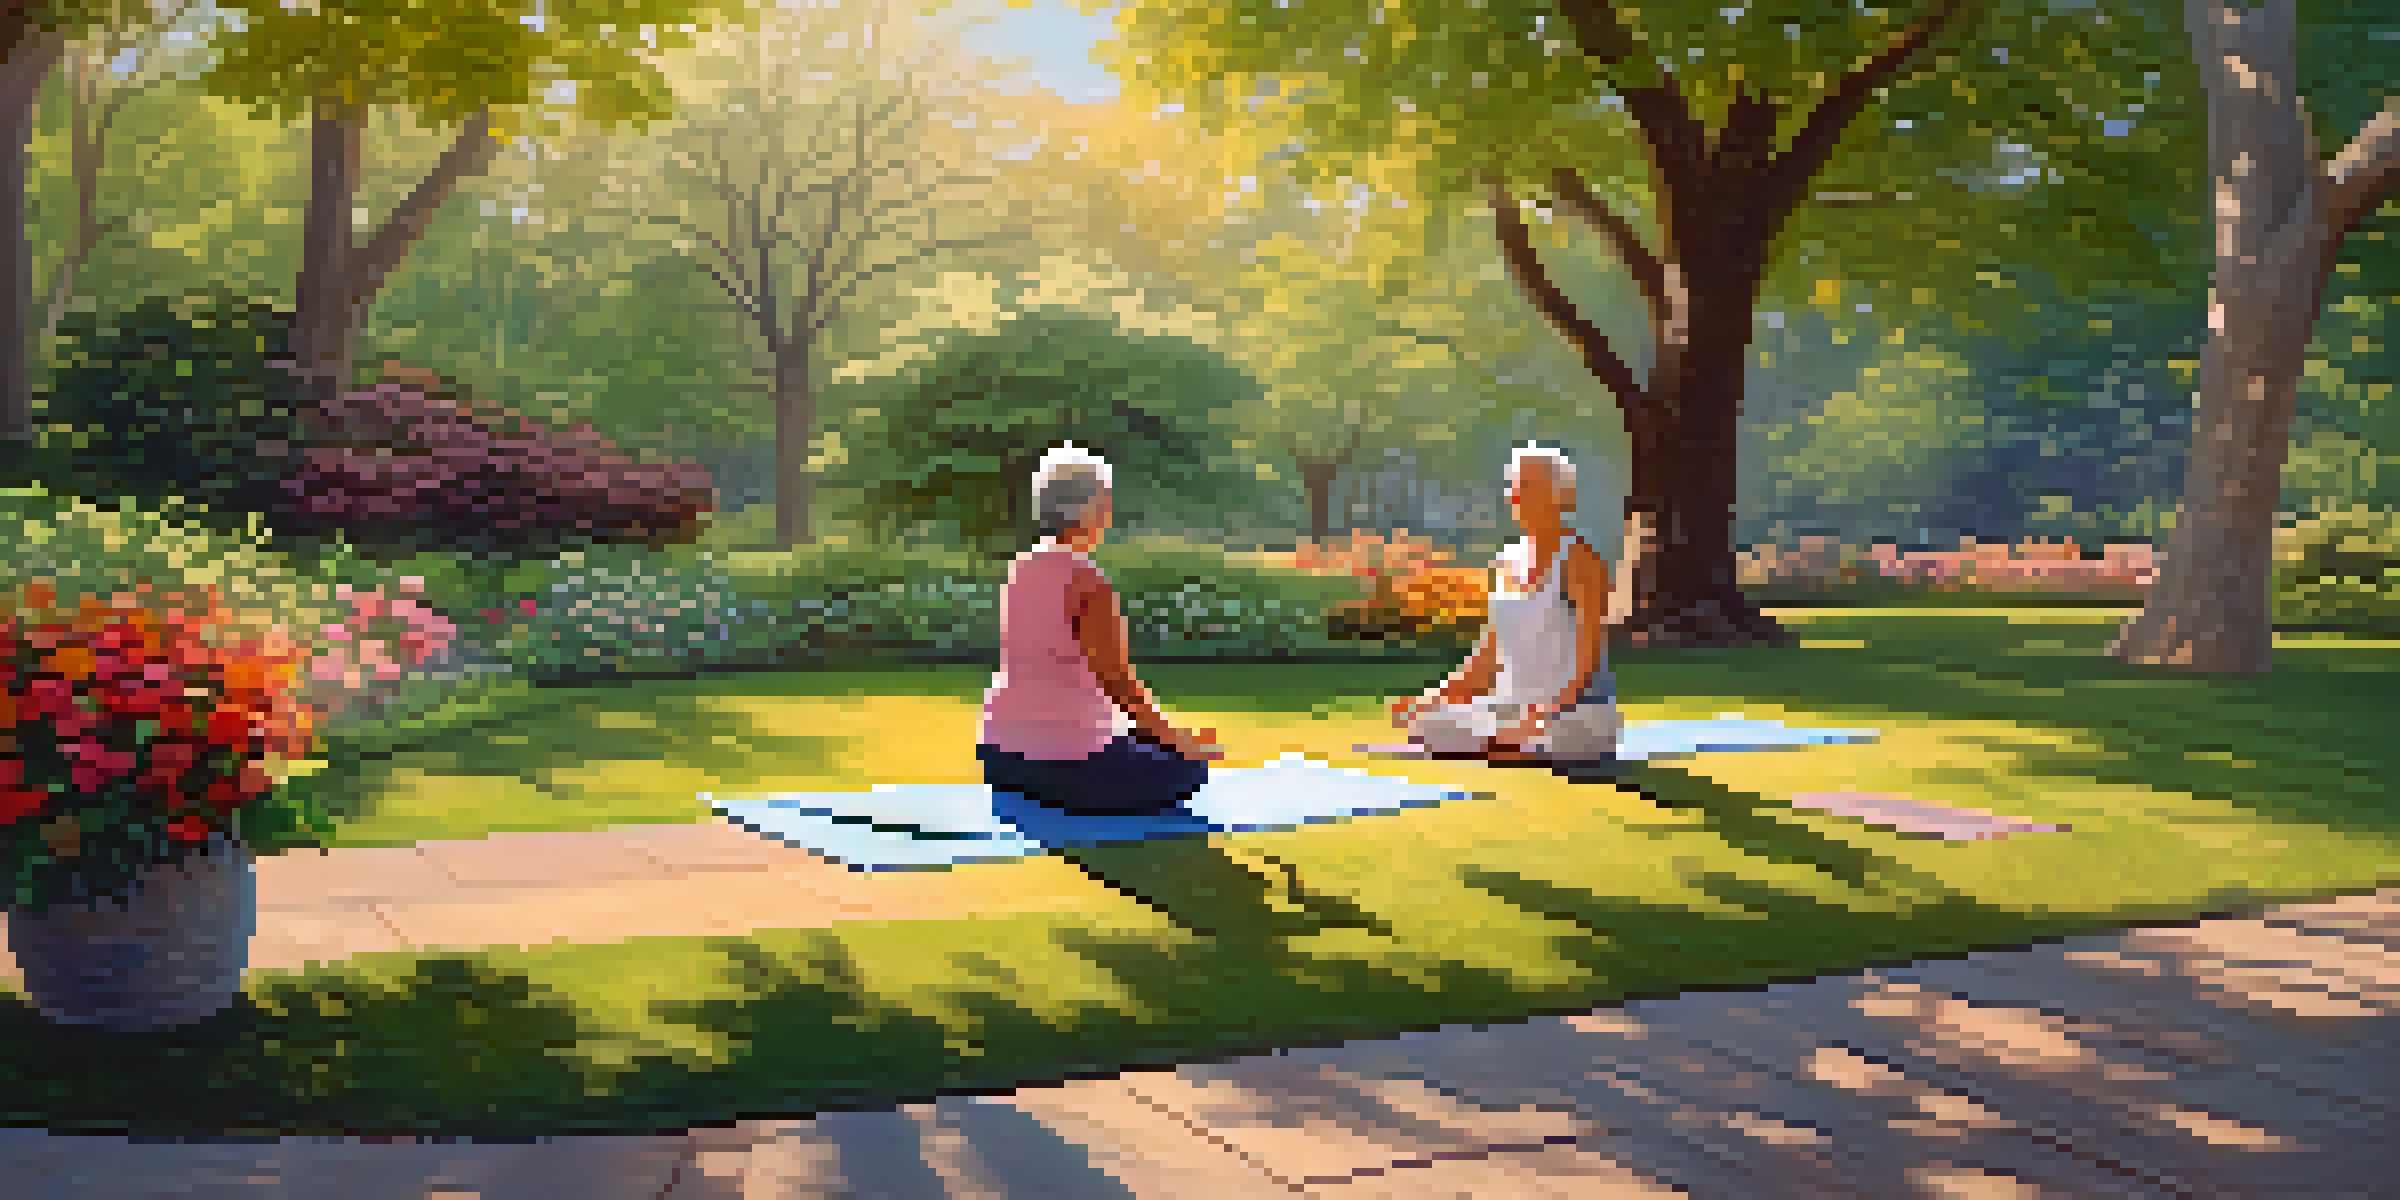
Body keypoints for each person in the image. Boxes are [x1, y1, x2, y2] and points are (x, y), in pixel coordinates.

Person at [977, 443, 1226, 815]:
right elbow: (1117, 681)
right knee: (1190, 769)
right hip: (1065, 766)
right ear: (1090, 509)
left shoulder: (1022, 567)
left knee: (1146, 746)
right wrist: (1177, 741)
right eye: (1105, 502)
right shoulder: (1087, 581)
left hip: (999, 756)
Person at [1388, 445, 1620, 762]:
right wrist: (1433, 697)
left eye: (1528, 486)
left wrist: (1545, 712)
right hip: (1514, 711)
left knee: (1519, 734)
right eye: (1514, 486)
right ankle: (1507, 743)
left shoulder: (1581, 560)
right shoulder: (1506, 562)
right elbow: (1486, 658)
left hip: (1573, 712)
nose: (1516, 496)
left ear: (1560, 495)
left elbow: (1588, 661)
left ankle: (1513, 744)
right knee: (1429, 722)